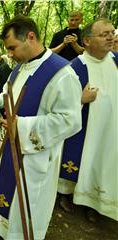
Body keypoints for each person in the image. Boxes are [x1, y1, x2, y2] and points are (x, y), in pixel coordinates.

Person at [0, 16, 82, 239]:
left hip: (33, 158)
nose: (9, 54)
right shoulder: (19, 69)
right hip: (9, 149)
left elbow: (70, 120)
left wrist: (21, 125)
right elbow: (10, 94)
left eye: (12, 48)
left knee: (26, 206)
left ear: (30, 37)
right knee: (6, 199)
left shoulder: (62, 73)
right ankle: (2, 229)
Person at [59, 19, 117, 223]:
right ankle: (65, 194)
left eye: (112, 32)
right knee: (77, 160)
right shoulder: (75, 67)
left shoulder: (116, 61)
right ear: (87, 41)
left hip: (111, 127)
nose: (110, 37)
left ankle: (96, 201)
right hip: (84, 129)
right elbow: (59, 105)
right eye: (104, 34)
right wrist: (80, 99)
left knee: (103, 162)